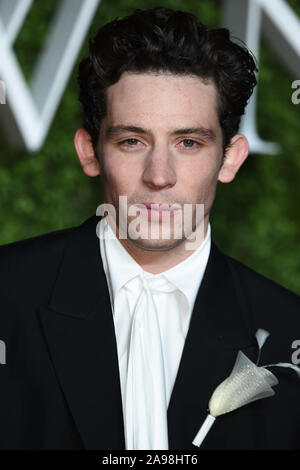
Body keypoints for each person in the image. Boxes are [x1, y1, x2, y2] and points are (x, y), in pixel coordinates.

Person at [0, 7, 299, 451]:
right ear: (90, 152)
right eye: (132, 141)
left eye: (189, 143)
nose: (159, 175)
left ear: (230, 158)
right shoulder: (7, 294)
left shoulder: (289, 327)